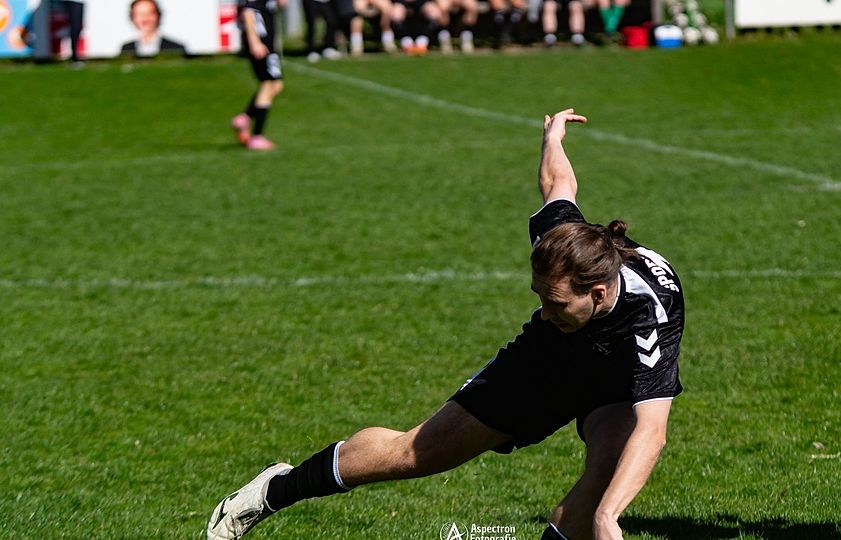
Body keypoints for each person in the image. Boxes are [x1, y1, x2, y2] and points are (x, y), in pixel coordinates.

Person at [206, 108, 686, 540]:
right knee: (417, 454)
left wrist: (608, 517)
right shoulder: (562, 242)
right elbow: (558, 185)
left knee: (607, 475)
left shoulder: (649, 314)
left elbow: (652, 431)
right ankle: (276, 489)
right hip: (547, 358)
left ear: (597, 294)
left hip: (614, 377)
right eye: (538, 296)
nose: (543, 311)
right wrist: (552, 139)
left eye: (555, 302)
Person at [231, 0, 287, 151]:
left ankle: (245, 118)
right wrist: (254, 41)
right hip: (262, 43)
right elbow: (248, 12)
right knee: (269, 83)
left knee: (275, 84)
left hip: (267, 42)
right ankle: (257, 136)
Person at [120, 0, 186, 58]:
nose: (145, 18)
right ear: (133, 18)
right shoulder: (126, 49)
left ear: (158, 16)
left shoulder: (176, 49)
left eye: (150, 13)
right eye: (140, 14)